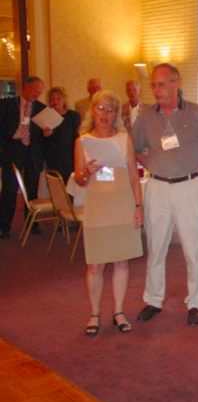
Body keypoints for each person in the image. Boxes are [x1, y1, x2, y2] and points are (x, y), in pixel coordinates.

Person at [133, 63, 198, 326]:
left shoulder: (197, 113)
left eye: (161, 84)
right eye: (153, 85)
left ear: (176, 83)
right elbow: (134, 148)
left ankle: (196, 302)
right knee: (156, 247)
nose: (156, 90)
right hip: (157, 187)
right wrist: (149, 163)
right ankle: (153, 299)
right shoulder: (145, 117)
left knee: (194, 248)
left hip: (189, 187)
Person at [74, 90, 143, 335]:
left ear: (116, 114)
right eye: (101, 108)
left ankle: (119, 311)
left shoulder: (125, 139)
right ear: (92, 111)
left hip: (122, 205)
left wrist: (138, 207)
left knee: (121, 261)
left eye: (111, 109)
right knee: (95, 265)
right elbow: (79, 180)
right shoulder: (82, 141)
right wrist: (87, 171)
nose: (105, 114)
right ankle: (94, 313)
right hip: (97, 208)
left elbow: (134, 177)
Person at [0, 76, 47, 239]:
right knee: (9, 190)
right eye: (35, 91)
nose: (37, 95)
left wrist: (46, 132)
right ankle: (4, 226)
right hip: (12, 150)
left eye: (39, 93)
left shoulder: (41, 108)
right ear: (26, 87)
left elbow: (42, 136)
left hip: (32, 152)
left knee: (31, 189)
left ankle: (32, 224)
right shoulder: (7, 104)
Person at [43, 86, 81, 183]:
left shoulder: (73, 116)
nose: (55, 102)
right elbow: (42, 142)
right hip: (53, 159)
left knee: (71, 186)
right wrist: (45, 135)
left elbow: (78, 138)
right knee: (56, 186)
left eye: (58, 99)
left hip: (70, 159)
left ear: (64, 99)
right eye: (52, 99)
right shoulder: (46, 117)